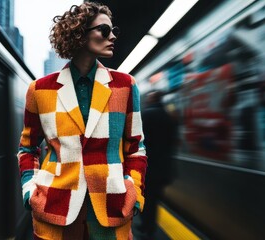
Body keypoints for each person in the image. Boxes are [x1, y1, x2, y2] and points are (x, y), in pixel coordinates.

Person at [17, 2, 147, 239]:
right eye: (104, 31)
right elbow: (27, 148)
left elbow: (136, 148)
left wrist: (134, 193)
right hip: (53, 209)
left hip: (112, 210)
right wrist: (29, 191)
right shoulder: (39, 90)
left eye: (113, 30)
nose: (113, 37)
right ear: (79, 35)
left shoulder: (126, 85)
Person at [133, 90, 178, 239]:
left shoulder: (146, 115)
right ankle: (150, 226)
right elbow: (174, 141)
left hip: (148, 166)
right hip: (164, 167)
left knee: (145, 197)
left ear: (152, 99)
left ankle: (146, 226)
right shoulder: (169, 116)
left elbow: (139, 141)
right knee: (155, 199)